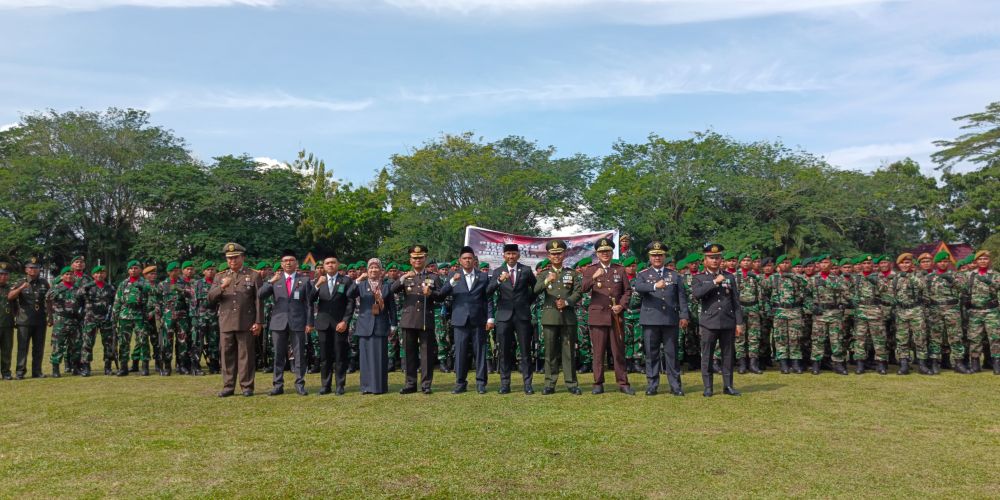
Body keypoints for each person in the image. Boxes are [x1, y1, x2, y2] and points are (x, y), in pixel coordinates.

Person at [633, 241, 689, 396]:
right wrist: (654, 286)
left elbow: (681, 298)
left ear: (664, 256)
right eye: (654, 255)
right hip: (651, 320)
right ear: (649, 257)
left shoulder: (674, 275)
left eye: (660, 255)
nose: (657, 258)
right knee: (651, 354)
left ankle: (675, 385)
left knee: (672, 353)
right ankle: (652, 384)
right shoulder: (643, 274)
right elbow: (639, 287)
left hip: (670, 319)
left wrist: (684, 315)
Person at [208, 242, 264, 397]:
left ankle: (247, 386)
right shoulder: (220, 276)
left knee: (246, 355)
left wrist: (258, 322)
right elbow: (210, 297)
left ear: (242, 257)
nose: (232, 261)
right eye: (229, 258)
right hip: (226, 322)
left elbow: (259, 301)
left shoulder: (253, 275)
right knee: (227, 355)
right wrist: (222, 287)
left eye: (235, 257)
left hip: (246, 321)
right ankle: (228, 386)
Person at [581, 237, 634, 395]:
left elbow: (627, 291)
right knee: (598, 352)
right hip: (598, 316)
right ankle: (598, 382)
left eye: (608, 251)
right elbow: (582, 288)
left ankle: (623, 382)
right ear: (597, 254)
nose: (605, 254)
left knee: (618, 351)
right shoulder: (590, 270)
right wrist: (593, 278)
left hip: (615, 316)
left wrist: (622, 305)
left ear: (612, 252)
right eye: (602, 251)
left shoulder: (620, 269)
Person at [259, 250, 315, 396]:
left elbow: (309, 304)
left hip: (298, 321)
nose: (288, 263)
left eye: (291, 260)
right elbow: (260, 295)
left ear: (296, 263)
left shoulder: (304, 280)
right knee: (278, 354)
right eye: (285, 260)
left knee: (299, 354)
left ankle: (300, 384)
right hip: (279, 322)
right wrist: (270, 281)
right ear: (282, 264)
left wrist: (309, 322)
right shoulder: (275, 279)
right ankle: (278, 385)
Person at [391, 245, 445, 395]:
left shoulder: (433, 277)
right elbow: (391, 290)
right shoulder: (406, 277)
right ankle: (410, 383)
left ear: (425, 259)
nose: (418, 260)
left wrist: (431, 293)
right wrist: (401, 279)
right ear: (410, 260)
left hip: (425, 319)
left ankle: (426, 384)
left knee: (427, 353)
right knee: (409, 353)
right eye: (415, 258)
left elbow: (441, 296)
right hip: (409, 319)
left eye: (420, 257)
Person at [486, 243, 538, 395]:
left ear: (518, 255)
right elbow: (488, 291)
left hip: (522, 316)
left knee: (525, 351)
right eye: (508, 254)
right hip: (504, 316)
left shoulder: (526, 270)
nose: (511, 256)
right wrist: (499, 281)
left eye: (513, 254)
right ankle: (505, 383)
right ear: (504, 256)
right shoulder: (497, 271)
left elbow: (535, 290)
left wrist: (526, 302)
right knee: (504, 351)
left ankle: (527, 384)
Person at [691, 243, 743, 397]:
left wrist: (739, 323)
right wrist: (714, 282)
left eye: (717, 257)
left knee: (728, 356)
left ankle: (728, 386)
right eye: (711, 258)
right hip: (709, 322)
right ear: (705, 260)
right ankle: (708, 387)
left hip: (727, 321)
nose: (714, 260)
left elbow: (735, 301)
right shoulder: (699, 278)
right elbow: (697, 295)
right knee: (707, 356)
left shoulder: (729, 276)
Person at [533, 240, 583, 395]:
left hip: (568, 317)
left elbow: (578, 291)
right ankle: (549, 383)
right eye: (553, 254)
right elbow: (535, 290)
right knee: (550, 352)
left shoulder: (572, 273)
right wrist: (547, 280)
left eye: (559, 253)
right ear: (548, 255)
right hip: (550, 317)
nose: (556, 256)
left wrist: (567, 302)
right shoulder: (543, 274)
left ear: (564, 254)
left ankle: (571, 383)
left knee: (568, 352)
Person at [440, 246, 492, 394]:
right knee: (460, 352)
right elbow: (442, 294)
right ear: (460, 261)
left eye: (470, 258)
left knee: (480, 351)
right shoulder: (453, 275)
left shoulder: (482, 276)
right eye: (465, 258)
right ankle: (460, 382)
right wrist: (452, 282)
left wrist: (490, 317)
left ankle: (481, 383)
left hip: (478, 319)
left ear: (474, 260)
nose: (467, 260)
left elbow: (488, 299)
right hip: (460, 320)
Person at [347, 258, 397, 394]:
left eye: (376, 268)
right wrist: (357, 280)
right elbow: (349, 294)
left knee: (380, 358)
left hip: (381, 325)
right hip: (365, 326)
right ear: (367, 271)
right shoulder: (361, 285)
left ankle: (379, 387)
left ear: (381, 271)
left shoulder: (386, 286)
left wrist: (393, 324)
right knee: (365, 359)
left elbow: (392, 307)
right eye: (371, 268)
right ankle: (366, 387)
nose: (373, 270)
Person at [312, 255, 356, 395]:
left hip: (339, 324)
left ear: (338, 265)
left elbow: (350, 302)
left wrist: (345, 321)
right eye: (327, 263)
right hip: (323, 323)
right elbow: (309, 299)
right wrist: (317, 285)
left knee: (340, 355)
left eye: (333, 262)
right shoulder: (318, 281)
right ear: (323, 266)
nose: (330, 265)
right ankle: (325, 385)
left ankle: (340, 385)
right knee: (325, 357)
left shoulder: (346, 280)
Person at [9, 257, 49, 379]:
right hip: (24, 320)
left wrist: (50, 317)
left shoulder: (44, 283)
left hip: (40, 320)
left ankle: (37, 371)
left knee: (38, 348)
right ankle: (20, 371)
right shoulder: (21, 281)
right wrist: (21, 288)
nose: (33, 270)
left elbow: (50, 299)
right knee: (22, 347)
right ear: (26, 270)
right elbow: (10, 296)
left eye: (36, 268)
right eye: (31, 268)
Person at [46, 266, 84, 378]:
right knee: (58, 345)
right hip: (61, 320)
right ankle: (55, 368)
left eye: (71, 274)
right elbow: (48, 299)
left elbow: (83, 302)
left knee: (76, 345)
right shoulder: (56, 288)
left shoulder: (78, 289)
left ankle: (75, 367)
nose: (69, 276)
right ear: (62, 276)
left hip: (75, 320)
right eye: (66, 274)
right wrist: (50, 316)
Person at [78, 265, 116, 377]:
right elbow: (78, 297)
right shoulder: (87, 287)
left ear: (105, 274)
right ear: (93, 275)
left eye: (102, 273)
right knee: (87, 343)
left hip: (106, 319)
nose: (99, 275)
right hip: (90, 318)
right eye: (97, 273)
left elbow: (114, 302)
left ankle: (108, 367)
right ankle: (86, 367)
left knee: (108, 343)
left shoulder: (110, 288)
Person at [965, 250, 998, 374]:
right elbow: (964, 291)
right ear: (976, 261)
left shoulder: (995, 275)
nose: (983, 261)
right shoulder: (970, 275)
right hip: (975, 311)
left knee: (995, 338)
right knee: (974, 338)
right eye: (980, 259)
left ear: (989, 260)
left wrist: (991, 283)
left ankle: (996, 364)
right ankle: (975, 364)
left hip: (991, 311)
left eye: (985, 259)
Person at [0, 263, 14, 380]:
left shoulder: (11, 288)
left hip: (7, 324)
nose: (3, 277)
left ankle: (6, 372)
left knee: (7, 350)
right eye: (1, 274)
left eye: (5, 274)